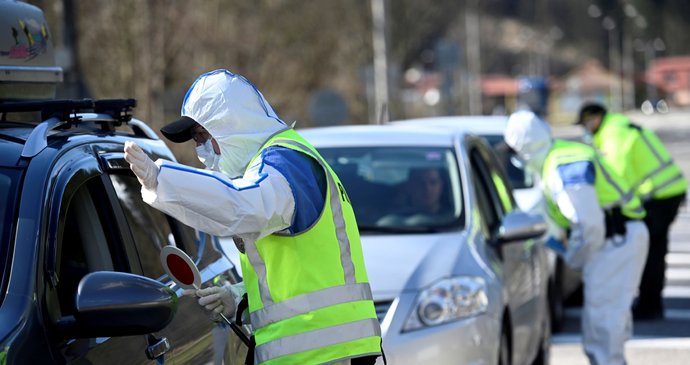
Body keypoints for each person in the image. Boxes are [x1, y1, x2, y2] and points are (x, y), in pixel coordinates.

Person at [124, 69, 383, 365]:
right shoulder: (275, 165)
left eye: (202, 136)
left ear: (229, 125)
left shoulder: (286, 162)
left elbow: (243, 207)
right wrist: (238, 297)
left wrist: (163, 181)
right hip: (325, 351)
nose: (200, 150)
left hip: (328, 353)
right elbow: (297, 273)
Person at [504, 110, 649, 365]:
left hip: (614, 241)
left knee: (603, 326)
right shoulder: (558, 157)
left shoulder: (563, 165)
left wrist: (574, 259)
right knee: (605, 323)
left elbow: (589, 224)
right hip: (615, 240)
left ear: (523, 151)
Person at [577, 102, 688, 320]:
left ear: (596, 118)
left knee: (649, 253)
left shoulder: (613, 135)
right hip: (667, 193)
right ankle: (651, 304)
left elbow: (617, 179)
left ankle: (649, 306)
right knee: (654, 251)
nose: (585, 129)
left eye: (586, 123)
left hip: (659, 198)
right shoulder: (619, 127)